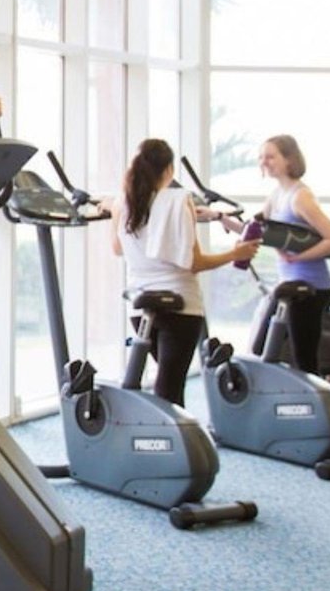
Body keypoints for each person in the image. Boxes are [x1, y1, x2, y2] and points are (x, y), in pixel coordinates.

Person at [110, 139, 260, 407]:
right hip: (181, 306)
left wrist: (112, 212)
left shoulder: (122, 202)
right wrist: (235, 254)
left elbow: (117, 247)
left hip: (140, 307)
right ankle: (171, 432)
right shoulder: (180, 200)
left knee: (165, 383)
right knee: (171, 388)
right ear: (169, 169)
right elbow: (195, 263)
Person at [251, 133, 330, 374]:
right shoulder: (276, 195)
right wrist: (219, 217)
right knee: (263, 346)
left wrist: (297, 257)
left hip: (311, 287)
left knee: (304, 357)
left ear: (289, 159)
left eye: (270, 157)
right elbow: (256, 231)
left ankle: (315, 396)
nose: (264, 162)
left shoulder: (300, 197)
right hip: (289, 284)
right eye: (261, 157)